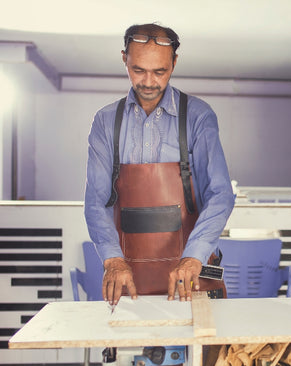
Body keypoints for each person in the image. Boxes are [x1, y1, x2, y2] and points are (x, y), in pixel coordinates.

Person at [84, 23, 235, 307]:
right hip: (128, 279)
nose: (149, 81)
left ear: (174, 63)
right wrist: (113, 260)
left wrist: (194, 256)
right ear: (124, 59)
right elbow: (96, 202)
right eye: (138, 69)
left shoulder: (198, 117)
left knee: (204, 350)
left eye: (160, 71)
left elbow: (220, 195)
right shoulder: (105, 122)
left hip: (195, 274)